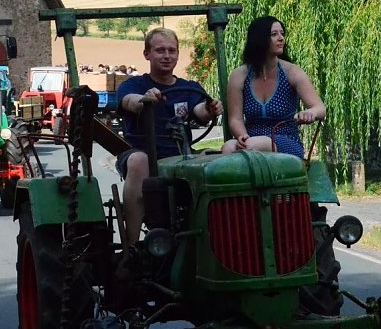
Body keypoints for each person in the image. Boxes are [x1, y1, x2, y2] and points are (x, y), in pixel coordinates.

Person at [116, 27, 222, 234]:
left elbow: (199, 111)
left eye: (171, 51)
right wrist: (146, 99)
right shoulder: (134, 84)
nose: (167, 56)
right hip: (143, 154)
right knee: (139, 160)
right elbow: (129, 102)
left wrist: (210, 109)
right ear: (147, 54)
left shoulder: (188, 87)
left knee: (220, 161)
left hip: (181, 155)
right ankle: (132, 246)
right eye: (160, 50)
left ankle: (211, 237)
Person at [221, 16, 325, 158]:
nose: (281, 38)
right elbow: (235, 119)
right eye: (274, 34)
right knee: (228, 147)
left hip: (285, 139)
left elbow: (320, 108)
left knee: (254, 145)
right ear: (259, 39)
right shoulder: (239, 75)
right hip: (251, 138)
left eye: (282, 33)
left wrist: (310, 113)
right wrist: (242, 136)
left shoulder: (292, 72)